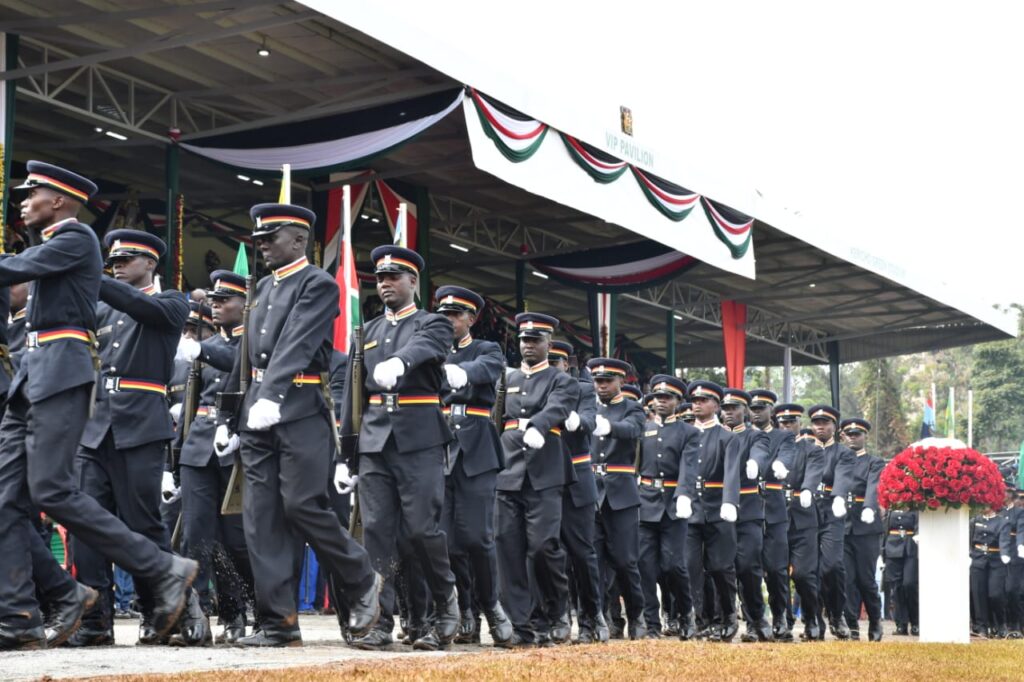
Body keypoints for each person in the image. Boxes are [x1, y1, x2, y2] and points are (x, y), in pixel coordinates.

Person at [0, 161, 196, 650]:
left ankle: (163, 569)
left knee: (51, 490)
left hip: (62, 374)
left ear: (60, 201)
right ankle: (22, 613)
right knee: (4, 501)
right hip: (32, 376)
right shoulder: (52, 246)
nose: (23, 201)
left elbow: (14, 270)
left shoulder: (78, 238)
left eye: (33, 193)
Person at [217, 203, 380, 647]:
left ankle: (362, 576)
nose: (263, 245)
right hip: (256, 413)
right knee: (260, 519)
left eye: (272, 236)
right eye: (260, 239)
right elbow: (246, 355)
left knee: (302, 504)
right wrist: (227, 415)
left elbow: (298, 340)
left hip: (300, 408)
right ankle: (278, 622)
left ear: (299, 239)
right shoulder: (263, 287)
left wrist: (271, 395)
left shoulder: (318, 284)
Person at [69, 229, 192, 646]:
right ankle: (94, 621)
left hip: (141, 426)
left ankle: (161, 612)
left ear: (151, 264)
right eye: (112, 260)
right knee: (87, 525)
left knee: (143, 524)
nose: (117, 265)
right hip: (96, 426)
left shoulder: (174, 301)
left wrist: (91, 276)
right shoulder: (101, 310)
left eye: (126, 260)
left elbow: (141, 308)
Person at [338, 244, 456, 651]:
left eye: (394, 277)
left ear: (413, 282)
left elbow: (427, 348)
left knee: (422, 530)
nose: (385, 283)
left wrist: (401, 363)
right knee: (377, 535)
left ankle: (443, 602)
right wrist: (346, 455)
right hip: (374, 441)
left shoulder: (433, 322)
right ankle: (379, 622)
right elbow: (352, 396)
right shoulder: (367, 332)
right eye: (380, 278)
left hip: (419, 438)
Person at [175, 270, 256, 644]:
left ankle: (240, 611)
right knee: (195, 537)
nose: (218, 306)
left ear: (246, 305)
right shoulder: (205, 348)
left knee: (235, 540)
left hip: (234, 452)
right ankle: (197, 615)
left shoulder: (252, 344)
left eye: (226, 300)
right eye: (215, 301)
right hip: (198, 448)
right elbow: (190, 405)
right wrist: (170, 464)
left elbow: (237, 361)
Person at [434, 285, 513, 647]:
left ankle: (491, 605)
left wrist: (459, 372)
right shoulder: (429, 349)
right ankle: (465, 611)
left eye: (456, 315)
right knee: (447, 542)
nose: (449, 320)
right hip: (439, 447)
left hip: (477, 449)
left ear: (471, 319)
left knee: (478, 538)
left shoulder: (487, 348)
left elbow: (487, 369)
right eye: (444, 314)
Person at [494, 313, 577, 647]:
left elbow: (558, 407)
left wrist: (539, 426)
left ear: (548, 344)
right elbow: (496, 419)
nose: (528, 345)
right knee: (508, 549)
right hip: (508, 470)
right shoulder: (507, 377)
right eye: (524, 340)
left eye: (535, 340)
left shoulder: (561, 380)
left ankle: (557, 610)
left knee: (543, 547)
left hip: (545, 471)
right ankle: (522, 624)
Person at [549, 341, 608, 644]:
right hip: (543, 480)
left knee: (582, 553)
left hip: (576, 481)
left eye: (557, 361)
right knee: (547, 552)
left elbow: (590, 419)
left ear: (567, 363)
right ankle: (558, 616)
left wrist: (576, 421)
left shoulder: (583, 389)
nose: (552, 365)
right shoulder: (535, 386)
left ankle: (591, 615)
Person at [637, 374, 700, 640]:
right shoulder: (643, 428)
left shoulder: (689, 432)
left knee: (674, 565)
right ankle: (651, 623)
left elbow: (689, 467)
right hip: (645, 501)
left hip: (674, 505)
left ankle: (685, 613)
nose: (661, 402)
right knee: (645, 566)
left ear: (677, 401)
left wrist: (685, 494)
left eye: (667, 397)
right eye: (657, 397)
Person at [588, 358, 647, 640]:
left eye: (607, 381)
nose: (601, 385)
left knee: (625, 561)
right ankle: (596, 620)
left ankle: (636, 615)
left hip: (620, 493)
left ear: (620, 381)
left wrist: (609, 427)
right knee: (592, 563)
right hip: (589, 491)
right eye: (598, 381)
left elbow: (634, 430)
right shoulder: (587, 406)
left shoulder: (632, 407)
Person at [681, 380, 741, 642]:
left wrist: (730, 500)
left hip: (718, 508)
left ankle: (727, 616)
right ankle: (701, 619)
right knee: (691, 566)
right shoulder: (685, 433)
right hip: (690, 508)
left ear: (716, 405)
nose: (697, 404)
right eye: (694, 401)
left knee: (720, 567)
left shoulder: (728, 437)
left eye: (703, 401)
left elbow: (731, 470)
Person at [719, 388, 773, 643]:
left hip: (748, 509)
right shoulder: (715, 435)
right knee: (720, 568)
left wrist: (755, 464)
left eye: (735, 408)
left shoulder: (755, 436)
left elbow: (761, 453)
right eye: (726, 408)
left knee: (749, 566)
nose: (729, 412)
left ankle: (755, 619)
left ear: (745, 411)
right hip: (717, 509)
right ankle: (727, 618)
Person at [748, 389, 797, 641]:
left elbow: (788, 453)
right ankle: (753, 621)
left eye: (761, 408)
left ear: (771, 411)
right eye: (753, 408)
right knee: (748, 569)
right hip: (747, 507)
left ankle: (780, 616)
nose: (756, 413)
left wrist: (781, 465)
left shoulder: (783, 437)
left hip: (774, 508)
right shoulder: (742, 435)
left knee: (777, 569)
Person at [774, 403, 824, 641]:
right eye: (783, 422)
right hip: (776, 517)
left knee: (803, 574)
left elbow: (814, 471)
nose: (787, 425)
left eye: (792, 422)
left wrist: (807, 490)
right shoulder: (770, 447)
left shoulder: (811, 449)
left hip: (803, 519)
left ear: (799, 424)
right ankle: (783, 621)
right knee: (776, 572)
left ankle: (812, 618)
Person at [807, 404, 855, 640]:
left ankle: (836, 614)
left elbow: (844, 475)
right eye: (817, 423)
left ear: (835, 427)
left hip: (831, 512)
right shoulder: (803, 449)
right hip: (805, 512)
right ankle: (814, 621)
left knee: (832, 566)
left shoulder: (843, 453)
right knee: (809, 570)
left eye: (826, 423)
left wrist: (838, 496)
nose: (821, 427)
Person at [839, 418, 885, 641]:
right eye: (849, 434)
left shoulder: (873, 462)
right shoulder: (839, 460)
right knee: (847, 578)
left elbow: (873, 486)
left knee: (866, 579)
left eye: (857, 434)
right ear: (842, 436)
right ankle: (851, 625)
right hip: (843, 525)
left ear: (865, 436)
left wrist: (869, 507)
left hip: (866, 526)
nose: (853, 438)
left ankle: (875, 620)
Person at [969, 500, 1013, 638]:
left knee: (995, 595)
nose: (983, 507)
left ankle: (1000, 624)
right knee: (978, 594)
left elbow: (1004, 541)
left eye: (986, 504)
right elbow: (969, 539)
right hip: (978, 559)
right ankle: (982, 627)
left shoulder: (1002, 522)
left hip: (995, 560)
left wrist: (1005, 554)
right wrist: (968, 554)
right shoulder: (975, 520)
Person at [882, 508, 918, 636]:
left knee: (909, 585)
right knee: (896, 588)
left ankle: (915, 622)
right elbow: (885, 532)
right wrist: (883, 554)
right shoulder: (890, 510)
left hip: (911, 547)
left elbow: (918, 525)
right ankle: (901, 625)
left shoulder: (915, 508)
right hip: (892, 547)